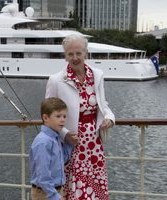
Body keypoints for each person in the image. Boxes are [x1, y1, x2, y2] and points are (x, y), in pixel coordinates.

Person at [45, 34, 115, 200]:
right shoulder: (56, 80)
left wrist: (109, 118)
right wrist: (65, 134)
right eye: (70, 54)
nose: (75, 58)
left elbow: (103, 104)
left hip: (94, 144)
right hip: (71, 144)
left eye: (78, 53)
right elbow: (47, 115)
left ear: (86, 53)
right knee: (75, 191)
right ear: (65, 56)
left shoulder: (97, 75)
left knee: (95, 189)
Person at [29, 97, 73, 200]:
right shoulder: (43, 142)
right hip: (44, 193)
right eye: (58, 116)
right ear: (46, 118)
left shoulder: (55, 138)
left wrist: (70, 144)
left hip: (54, 190)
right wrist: (54, 196)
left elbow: (63, 159)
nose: (62, 119)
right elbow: (42, 174)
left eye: (64, 116)